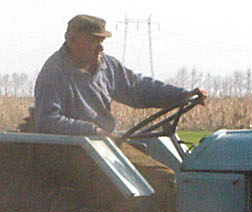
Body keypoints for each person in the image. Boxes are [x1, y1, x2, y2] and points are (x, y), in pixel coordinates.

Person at [30, 13, 206, 136]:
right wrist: (93, 131)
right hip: (80, 152)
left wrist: (183, 95)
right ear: (71, 40)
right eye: (93, 40)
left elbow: (137, 89)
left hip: (104, 141)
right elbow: (48, 121)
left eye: (101, 40)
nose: (100, 47)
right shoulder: (54, 73)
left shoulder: (107, 66)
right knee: (164, 177)